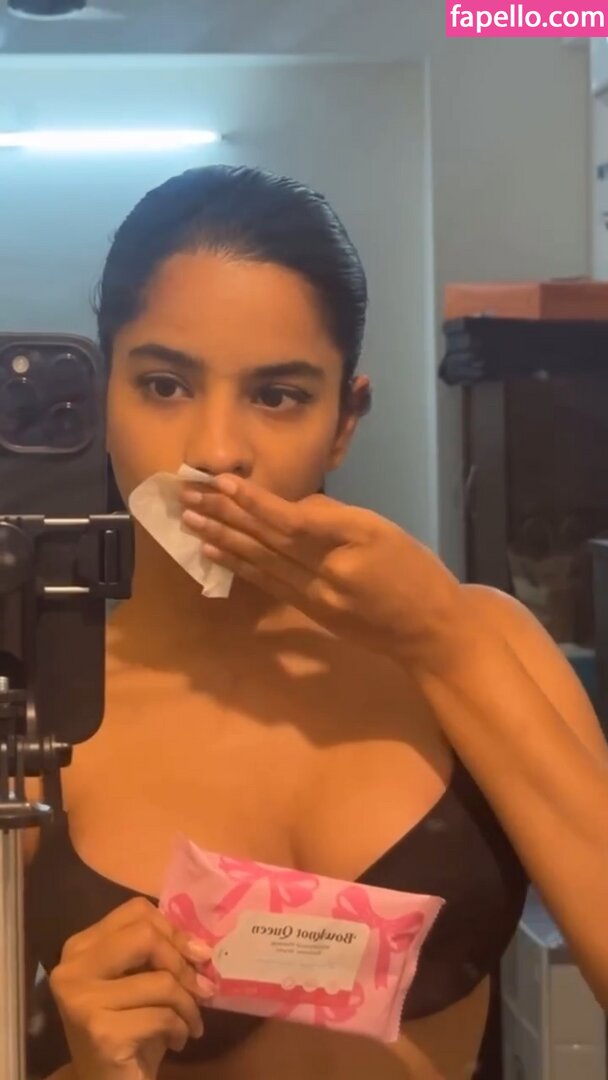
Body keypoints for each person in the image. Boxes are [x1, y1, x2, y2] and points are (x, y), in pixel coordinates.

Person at [23, 164, 608, 1080]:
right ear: (104, 399)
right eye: (166, 385)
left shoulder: (477, 640)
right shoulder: (37, 706)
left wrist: (443, 643)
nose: (218, 451)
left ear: (344, 420)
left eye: (277, 395)